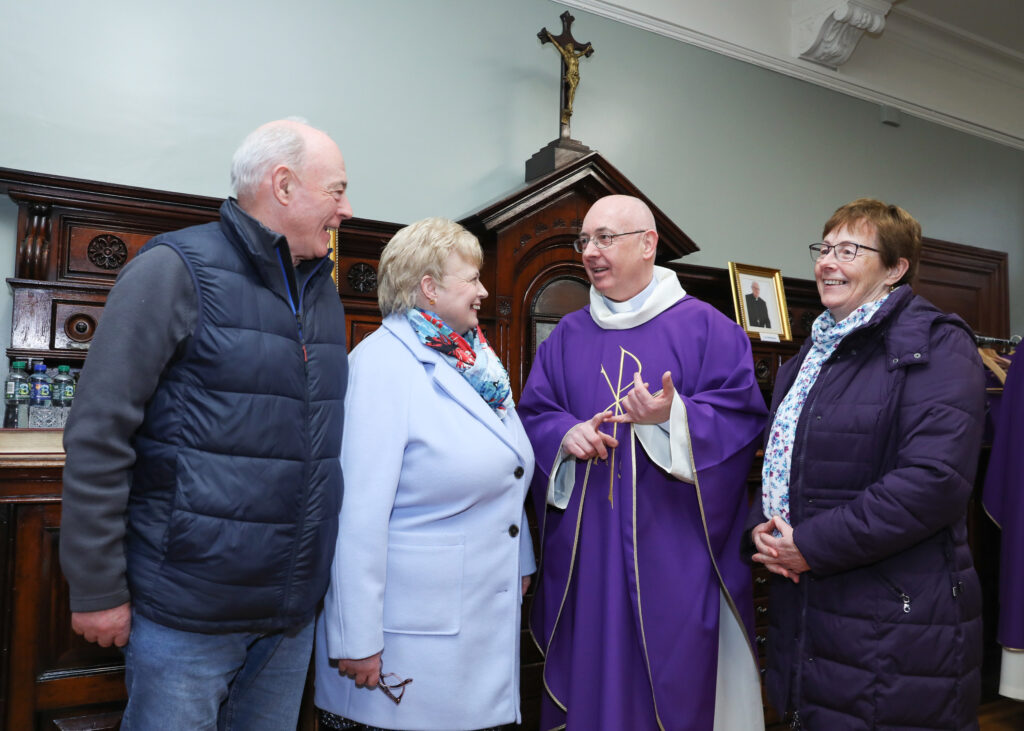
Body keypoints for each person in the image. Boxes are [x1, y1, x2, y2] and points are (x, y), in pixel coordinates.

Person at [59, 119, 353, 730]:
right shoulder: (174, 269)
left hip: (288, 614)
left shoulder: (323, 291)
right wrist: (96, 588)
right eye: (337, 190)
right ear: (283, 185)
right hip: (187, 613)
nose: (346, 210)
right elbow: (98, 433)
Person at [519, 194, 768, 730]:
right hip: (588, 559)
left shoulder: (708, 329)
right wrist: (566, 435)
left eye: (605, 238)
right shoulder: (567, 336)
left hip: (674, 555)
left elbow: (741, 420)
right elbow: (535, 413)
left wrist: (672, 417)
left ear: (648, 244)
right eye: (584, 240)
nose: (590, 252)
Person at [749, 198, 985, 729]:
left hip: (896, 619)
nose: (828, 262)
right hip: (808, 609)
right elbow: (782, 465)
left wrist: (809, 546)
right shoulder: (808, 356)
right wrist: (760, 529)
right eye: (825, 248)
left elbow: (933, 483)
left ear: (895, 268)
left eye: (850, 250)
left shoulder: (937, 345)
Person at [314, 217, 536, 731]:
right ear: (429, 288)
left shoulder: (476, 363)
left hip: (476, 618)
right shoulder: (381, 365)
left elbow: (510, 466)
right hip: (406, 640)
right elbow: (356, 514)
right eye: (473, 278)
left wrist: (519, 557)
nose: (484, 291)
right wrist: (356, 638)